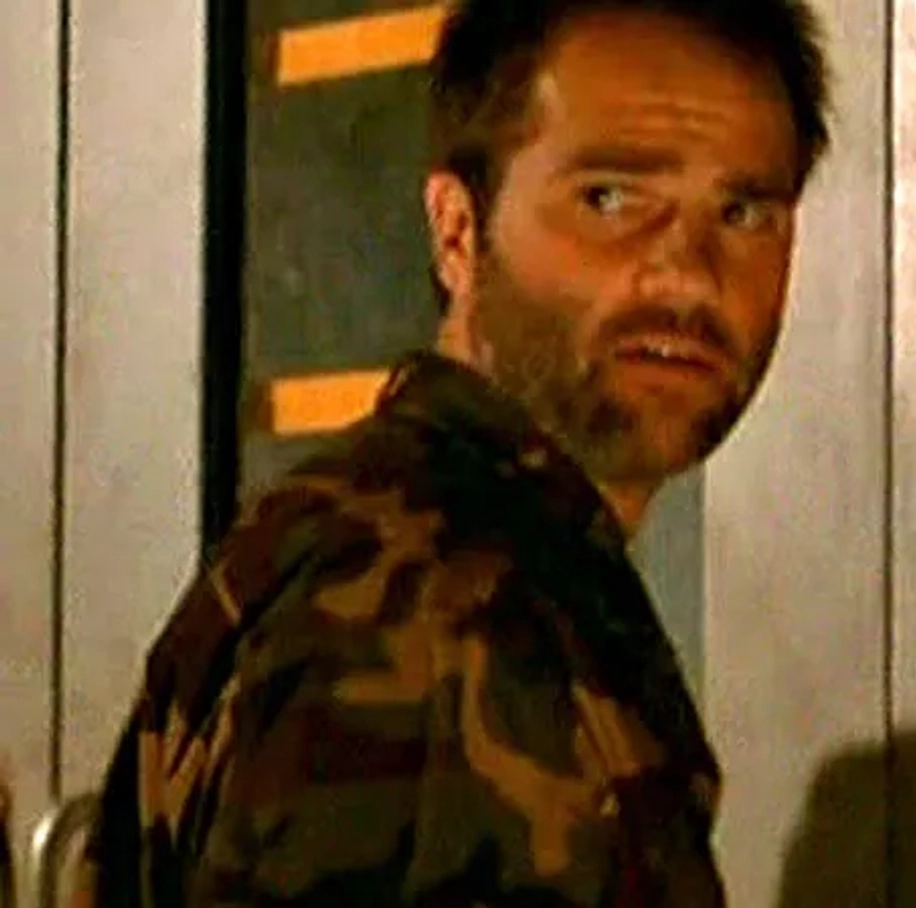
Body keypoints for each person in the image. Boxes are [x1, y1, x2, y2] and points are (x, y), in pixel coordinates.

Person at [77, 0, 830, 904]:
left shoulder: (441, 548)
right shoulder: (430, 611)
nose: (687, 274)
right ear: (457, 231)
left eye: (743, 212)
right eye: (610, 199)